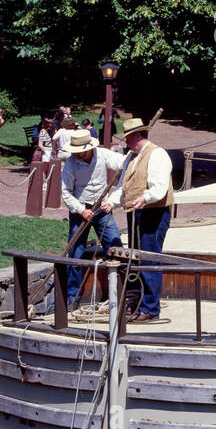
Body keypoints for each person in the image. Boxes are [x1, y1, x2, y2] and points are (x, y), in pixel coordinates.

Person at [101, 117, 173, 323]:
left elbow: (159, 186)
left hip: (154, 213)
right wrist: (112, 202)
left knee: (149, 259)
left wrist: (146, 197)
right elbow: (123, 188)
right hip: (136, 213)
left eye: (128, 139)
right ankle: (141, 302)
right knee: (137, 258)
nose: (126, 143)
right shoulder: (132, 158)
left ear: (137, 136)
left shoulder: (157, 155)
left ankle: (150, 308)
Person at [60, 128, 126, 299]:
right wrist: (81, 210)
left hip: (102, 210)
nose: (78, 155)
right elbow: (66, 192)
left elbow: (125, 164)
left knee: (116, 247)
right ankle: (71, 298)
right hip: (80, 211)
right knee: (75, 254)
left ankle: (121, 293)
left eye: (81, 151)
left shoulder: (103, 154)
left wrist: (112, 200)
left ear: (89, 148)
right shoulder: (70, 164)